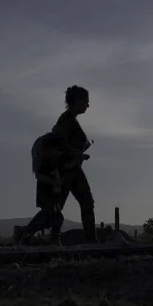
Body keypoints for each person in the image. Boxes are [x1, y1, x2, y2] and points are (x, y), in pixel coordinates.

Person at [52, 85, 96, 243]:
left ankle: (89, 240)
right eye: (86, 101)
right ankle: (51, 238)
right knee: (61, 205)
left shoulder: (69, 120)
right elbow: (59, 142)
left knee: (83, 202)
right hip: (67, 169)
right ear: (77, 100)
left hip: (72, 168)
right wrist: (76, 153)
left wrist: (79, 154)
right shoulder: (66, 120)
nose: (88, 104)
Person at [14, 132, 66, 245]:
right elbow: (40, 176)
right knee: (55, 217)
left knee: (51, 217)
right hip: (46, 193)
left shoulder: (51, 164)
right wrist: (54, 182)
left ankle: (26, 233)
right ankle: (29, 234)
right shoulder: (45, 165)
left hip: (51, 193)